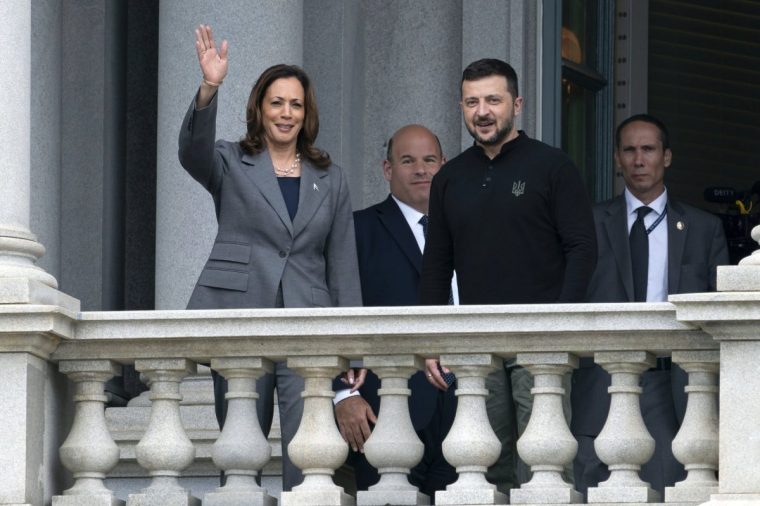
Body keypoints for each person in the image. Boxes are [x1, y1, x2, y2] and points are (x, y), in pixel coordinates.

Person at [178, 25, 362, 491]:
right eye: (276, 102)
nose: (286, 113)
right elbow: (191, 153)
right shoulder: (230, 160)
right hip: (239, 315)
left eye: (296, 104)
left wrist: (355, 345)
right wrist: (209, 87)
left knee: (308, 449)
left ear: (307, 113)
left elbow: (342, 262)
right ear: (260, 108)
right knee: (241, 446)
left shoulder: (330, 177)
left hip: (308, 322)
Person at [419, 58, 597, 493]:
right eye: (472, 101)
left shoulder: (552, 167)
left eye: (493, 100)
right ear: (461, 106)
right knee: (485, 466)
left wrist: (559, 324)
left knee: (545, 466)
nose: (482, 111)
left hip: (540, 341)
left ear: (516, 104)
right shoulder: (450, 178)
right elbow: (437, 263)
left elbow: (583, 249)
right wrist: (429, 339)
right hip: (477, 342)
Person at [571, 113, 729, 497]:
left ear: (667, 157)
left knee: (670, 490)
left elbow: (720, 318)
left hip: (672, 386)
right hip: (601, 385)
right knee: (598, 492)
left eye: (648, 149)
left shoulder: (703, 228)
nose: (639, 159)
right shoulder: (588, 225)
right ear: (617, 159)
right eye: (629, 150)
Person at [335, 124, 458, 499]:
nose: (421, 170)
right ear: (387, 169)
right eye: (408, 161)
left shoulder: (467, 230)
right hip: (384, 410)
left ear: (444, 166)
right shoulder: (356, 230)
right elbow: (330, 311)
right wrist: (341, 394)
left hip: (465, 408)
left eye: (429, 160)